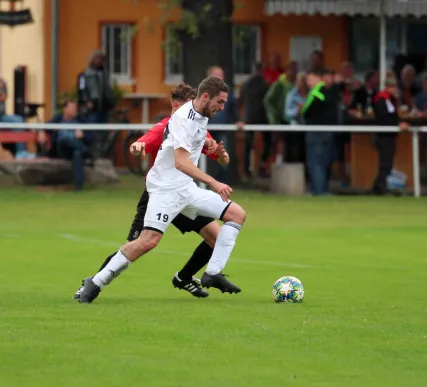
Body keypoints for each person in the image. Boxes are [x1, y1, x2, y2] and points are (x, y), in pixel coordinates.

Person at [78, 76, 246, 304]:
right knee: (148, 241)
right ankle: (96, 282)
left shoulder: (201, 115)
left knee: (237, 215)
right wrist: (214, 183)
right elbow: (181, 162)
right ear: (205, 97)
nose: (222, 107)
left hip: (186, 189)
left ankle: (212, 273)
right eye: (220, 101)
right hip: (164, 190)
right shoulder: (183, 118)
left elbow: (206, 150)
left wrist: (218, 152)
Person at [302, 70, 338, 196]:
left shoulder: (316, 93)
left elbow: (306, 112)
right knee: (323, 162)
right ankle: (323, 189)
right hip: (328, 132)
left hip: (316, 132)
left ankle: (318, 190)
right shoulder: (329, 92)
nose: (308, 83)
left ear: (319, 79)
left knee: (315, 162)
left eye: (310, 79)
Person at [49, 100, 94, 191]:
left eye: (75, 108)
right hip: (62, 149)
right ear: (65, 109)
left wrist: (83, 135)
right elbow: (45, 127)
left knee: (77, 154)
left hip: (76, 148)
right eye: (73, 108)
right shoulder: (58, 119)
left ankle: (78, 187)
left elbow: (92, 136)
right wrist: (41, 132)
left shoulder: (80, 120)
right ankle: (86, 152)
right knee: (64, 139)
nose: (75, 110)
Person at [372, 71, 402, 195]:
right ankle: (380, 186)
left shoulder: (390, 100)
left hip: (389, 135)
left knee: (387, 162)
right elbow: (385, 118)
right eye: (393, 87)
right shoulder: (381, 100)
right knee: (385, 163)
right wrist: (397, 125)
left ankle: (380, 186)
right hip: (384, 135)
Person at [238, 62, 270, 178]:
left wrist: (241, 117)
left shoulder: (245, 84)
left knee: (248, 143)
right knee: (268, 140)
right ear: (261, 70)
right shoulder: (264, 84)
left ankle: (247, 169)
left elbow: (240, 101)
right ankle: (261, 165)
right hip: (261, 117)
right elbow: (268, 102)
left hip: (249, 118)